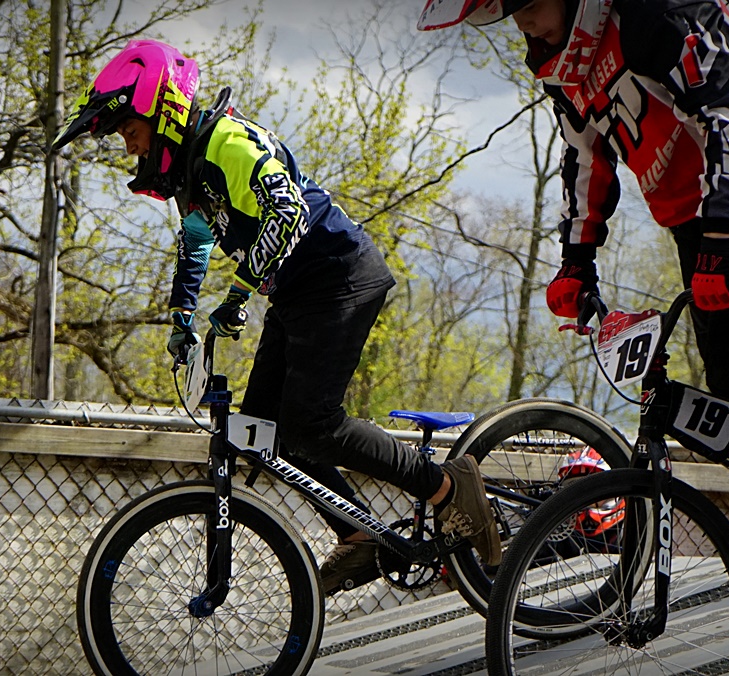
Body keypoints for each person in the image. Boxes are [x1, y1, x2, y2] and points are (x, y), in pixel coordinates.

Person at [417, 0, 729, 587]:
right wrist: (576, 262)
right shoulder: (561, 64)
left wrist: (720, 241)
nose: (520, 22)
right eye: (506, 13)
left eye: (528, 3)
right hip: (696, 204)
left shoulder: (646, 15)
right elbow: (585, 158)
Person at [50, 39, 501, 595]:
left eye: (128, 129)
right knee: (264, 431)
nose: (129, 145)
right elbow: (196, 239)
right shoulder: (191, 169)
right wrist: (181, 317)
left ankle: (446, 488)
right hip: (296, 291)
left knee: (314, 424)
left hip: (339, 274)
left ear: (158, 107)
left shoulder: (225, 143)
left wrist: (238, 292)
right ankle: (360, 535)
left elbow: (287, 212)